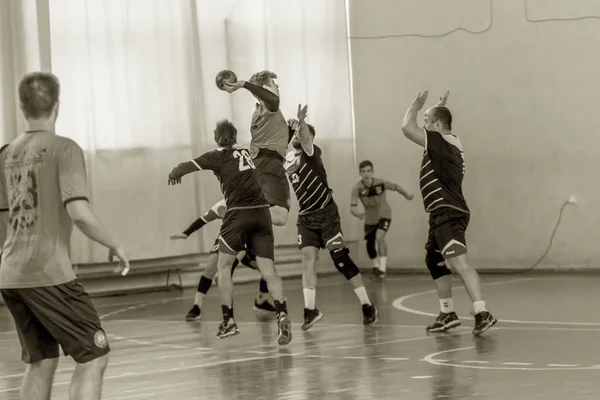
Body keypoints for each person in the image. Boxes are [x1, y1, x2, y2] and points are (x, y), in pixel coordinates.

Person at [0, 72, 130, 400]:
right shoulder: (64, 149)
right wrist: (114, 243)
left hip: (12, 275)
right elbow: (79, 212)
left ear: (21, 106)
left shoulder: (8, 153)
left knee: (41, 361)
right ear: (57, 105)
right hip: (49, 273)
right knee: (94, 356)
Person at [168, 119, 292, 345]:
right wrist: (290, 131)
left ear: (217, 138)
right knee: (268, 270)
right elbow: (274, 149)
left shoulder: (216, 155)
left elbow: (186, 166)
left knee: (223, 268)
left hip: (238, 214)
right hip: (262, 213)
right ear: (235, 136)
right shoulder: (248, 148)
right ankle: (282, 313)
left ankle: (228, 321)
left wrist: (174, 173)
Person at [401, 90, 497, 336]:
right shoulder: (445, 142)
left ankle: (482, 311)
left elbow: (406, 128)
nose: (424, 125)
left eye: (427, 122)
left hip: (448, 211)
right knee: (434, 260)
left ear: (437, 126)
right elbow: (435, 122)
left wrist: (415, 106)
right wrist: (436, 107)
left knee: (458, 262)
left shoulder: (441, 141)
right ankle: (448, 313)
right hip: (439, 213)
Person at [284, 105, 378, 331]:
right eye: (297, 134)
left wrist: (301, 123)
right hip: (306, 218)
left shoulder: (312, 153)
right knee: (308, 259)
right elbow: (281, 147)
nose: (299, 136)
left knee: (341, 260)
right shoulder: (289, 158)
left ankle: (367, 305)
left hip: (326, 216)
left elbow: (304, 138)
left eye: (303, 135)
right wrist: (287, 130)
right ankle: (310, 311)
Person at [171, 198, 277, 321]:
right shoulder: (223, 205)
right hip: (228, 241)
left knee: (269, 270)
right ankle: (196, 307)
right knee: (210, 268)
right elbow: (203, 219)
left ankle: (261, 301)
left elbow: (271, 204)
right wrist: (186, 233)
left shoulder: (253, 199)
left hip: (248, 244)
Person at [222, 71, 291, 227]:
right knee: (280, 217)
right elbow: (274, 100)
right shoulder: (269, 107)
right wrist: (244, 84)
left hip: (261, 165)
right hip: (269, 166)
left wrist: (291, 130)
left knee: (270, 217)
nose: (277, 86)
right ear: (266, 87)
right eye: (273, 84)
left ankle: (242, 212)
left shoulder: (260, 111)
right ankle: (240, 209)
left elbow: (276, 141)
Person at [351, 160, 413, 278]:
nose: (366, 174)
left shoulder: (381, 183)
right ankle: (376, 266)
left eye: (368, 171)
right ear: (360, 173)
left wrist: (407, 195)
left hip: (384, 215)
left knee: (380, 237)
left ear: (373, 172)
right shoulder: (357, 188)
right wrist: (357, 214)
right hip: (370, 220)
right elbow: (352, 207)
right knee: (370, 245)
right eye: (363, 171)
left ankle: (382, 270)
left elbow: (396, 187)